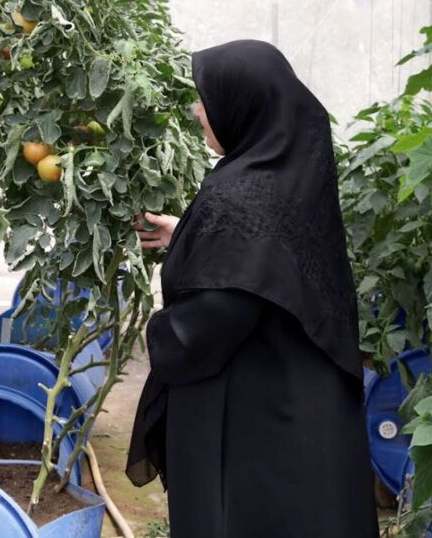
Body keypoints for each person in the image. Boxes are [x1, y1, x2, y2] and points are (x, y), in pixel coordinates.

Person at [127, 40, 378, 537]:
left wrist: (161, 333)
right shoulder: (286, 174)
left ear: (242, 103)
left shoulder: (238, 193)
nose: (199, 109)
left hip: (251, 419)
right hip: (302, 403)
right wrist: (194, 234)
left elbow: (214, 316)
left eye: (207, 97)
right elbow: (269, 255)